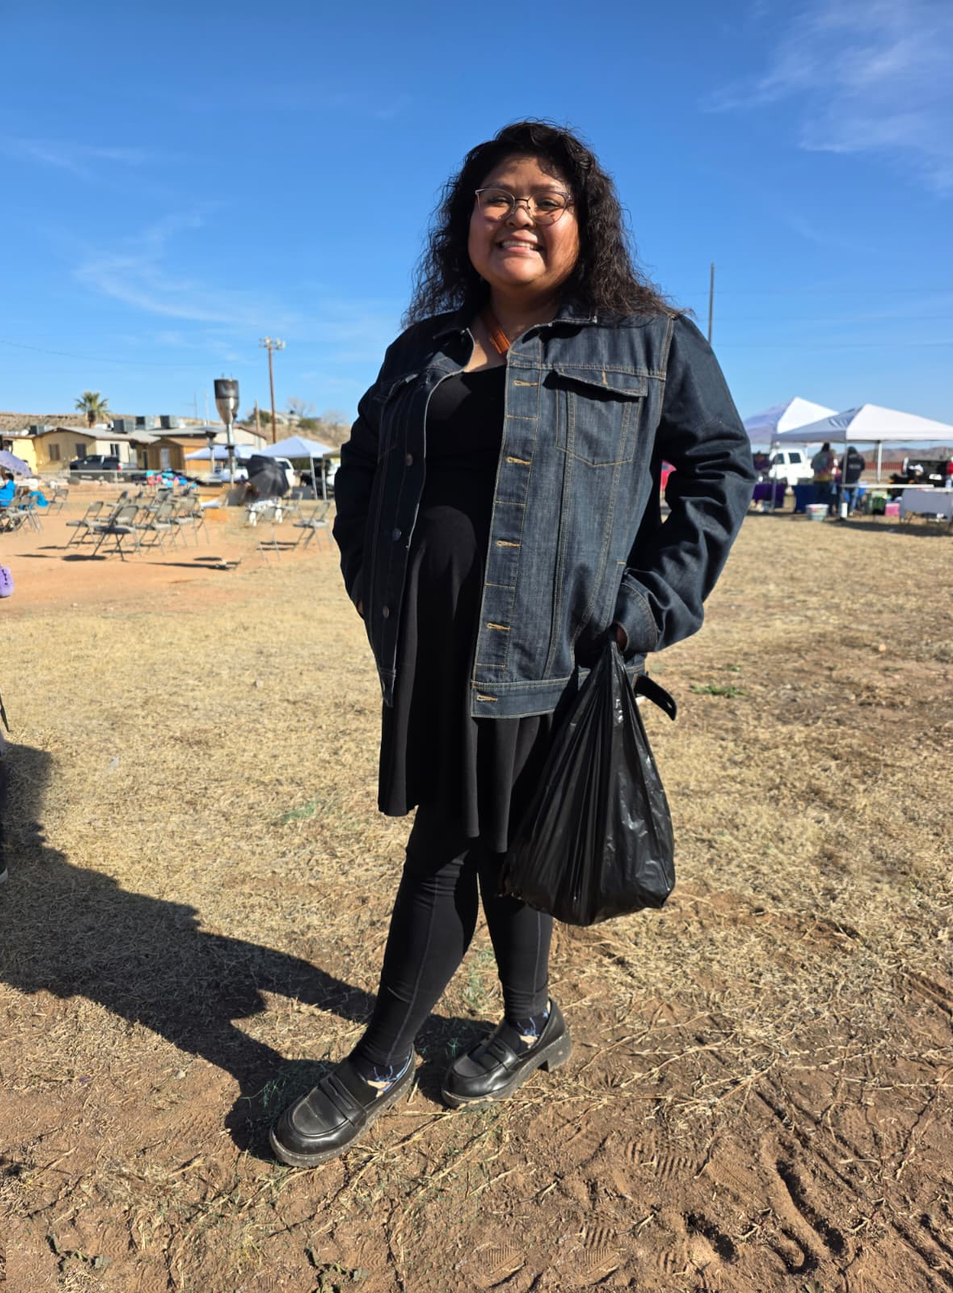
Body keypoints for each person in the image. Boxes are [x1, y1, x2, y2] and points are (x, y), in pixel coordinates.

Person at [276, 121, 751, 1169]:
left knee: (449, 841)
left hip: (556, 649)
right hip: (429, 645)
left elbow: (719, 470)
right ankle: (531, 1022)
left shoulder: (651, 340)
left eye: (546, 198)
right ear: (465, 221)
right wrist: (369, 568)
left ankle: (379, 1059)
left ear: (588, 222)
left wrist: (644, 608)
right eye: (495, 197)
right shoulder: (422, 350)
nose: (519, 215)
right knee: (504, 836)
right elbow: (362, 466)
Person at [839, 445, 866, 517]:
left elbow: (840, 467)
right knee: (854, 496)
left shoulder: (846, 457)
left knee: (843, 495)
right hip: (855, 479)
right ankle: (850, 511)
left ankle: (842, 511)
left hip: (846, 479)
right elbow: (863, 467)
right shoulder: (860, 457)